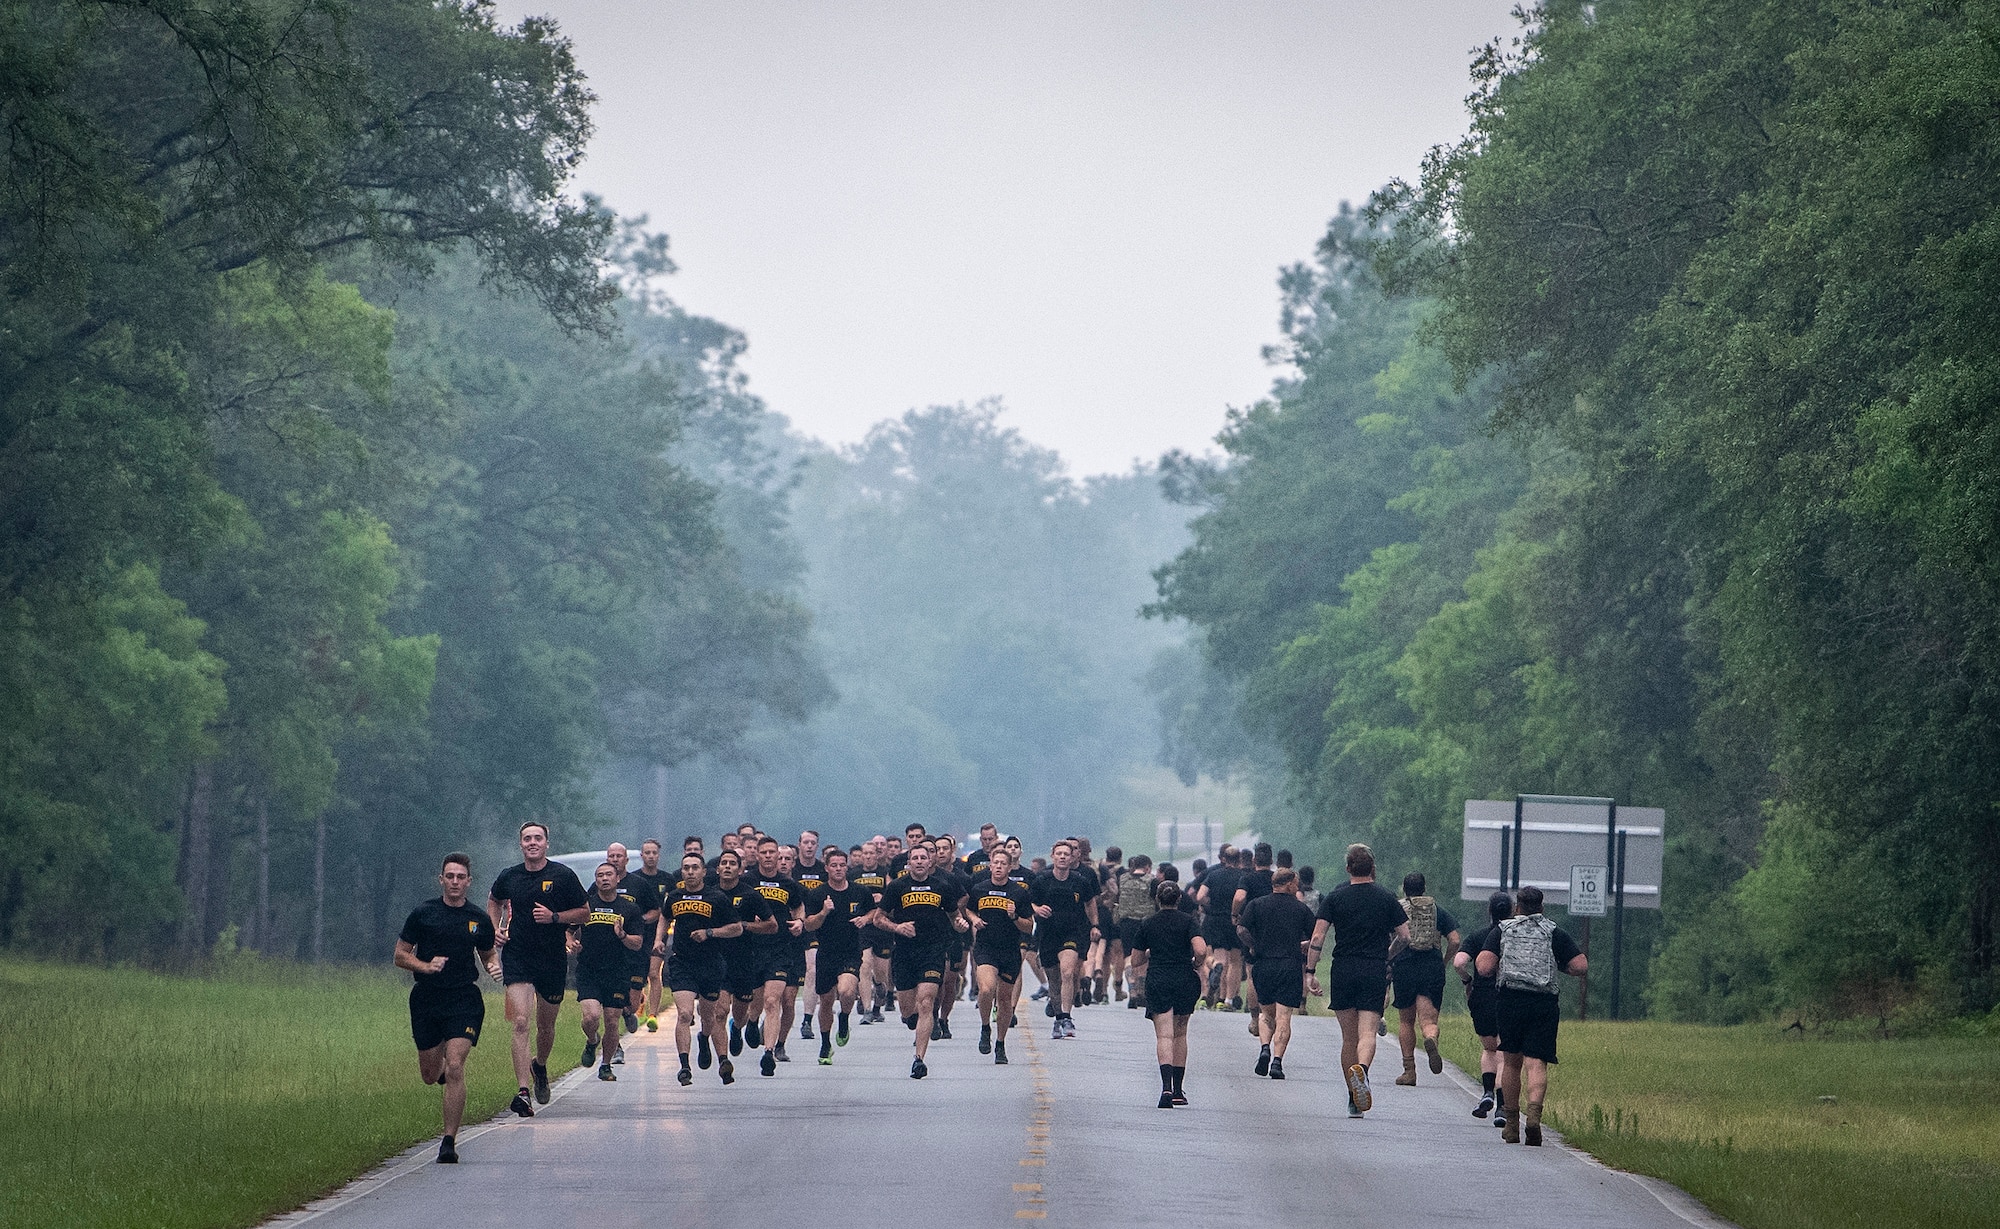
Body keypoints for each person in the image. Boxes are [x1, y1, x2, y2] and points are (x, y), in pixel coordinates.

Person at [395, 852, 499, 1163]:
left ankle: (449, 1141)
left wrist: (493, 967)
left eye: (460, 877)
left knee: (455, 1064)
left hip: (463, 999)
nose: (455, 882)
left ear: (469, 881)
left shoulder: (478, 919)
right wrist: (424, 966)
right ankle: (439, 1073)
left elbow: (488, 954)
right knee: (430, 1074)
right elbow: (400, 955)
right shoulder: (423, 914)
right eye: (449, 876)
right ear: (441, 879)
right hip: (427, 999)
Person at [487, 822, 589, 1117]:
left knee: (546, 1025)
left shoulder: (562, 876)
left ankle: (540, 1066)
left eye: (537, 838)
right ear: (521, 844)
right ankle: (522, 1091)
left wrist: (555, 917)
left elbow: (585, 912)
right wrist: (496, 928)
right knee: (520, 1022)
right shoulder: (510, 876)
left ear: (546, 844)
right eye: (527, 839)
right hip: (518, 956)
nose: (532, 843)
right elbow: (494, 901)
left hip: (552, 958)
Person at [1475, 886, 1586, 1145]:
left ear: (1517, 907)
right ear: (1542, 907)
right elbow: (1580, 965)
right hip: (1544, 1003)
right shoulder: (1552, 931)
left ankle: (1512, 1124)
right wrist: (1558, 965)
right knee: (1536, 1062)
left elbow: (1484, 966)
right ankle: (1534, 1117)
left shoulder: (1503, 929)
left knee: (1512, 1062)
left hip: (1511, 1001)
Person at [1306, 843, 1410, 1118]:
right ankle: (1362, 1071)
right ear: (1372, 868)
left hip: (1343, 968)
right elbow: (1405, 936)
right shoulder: (1387, 898)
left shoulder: (1335, 898)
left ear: (1348, 868)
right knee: (1368, 1033)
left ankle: (1354, 1098)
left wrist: (1310, 972)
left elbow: (1317, 938)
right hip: (1373, 968)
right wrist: (1387, 956)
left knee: (1348, 1038)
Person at [874, 842, 966, 1078]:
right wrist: (897, 927)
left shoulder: (942, 886)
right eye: (914, 858)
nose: (919, 862)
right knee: (908, 1011)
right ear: (908, 863)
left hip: (933, 951)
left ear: (930, 861)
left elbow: (954, 916)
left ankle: (919, 1059)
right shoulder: (897, 887)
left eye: (923, 858)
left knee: (926, 1002)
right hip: (904, 953)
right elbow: (878, 918)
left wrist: (960, 924)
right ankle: (911, 1019)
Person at [659, 853, 744, 1086]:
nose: (690, 872)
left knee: (710, 1015)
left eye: (694, 868)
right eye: (686, 868)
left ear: (704, 872)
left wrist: (710, 933)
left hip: (710, 963)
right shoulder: (674, 897)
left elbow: (736, 928)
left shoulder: (716, 897)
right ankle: (685, 1066)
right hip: (682, 963)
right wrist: (659, 940)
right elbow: (664, 918)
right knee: (685, 1013)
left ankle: (708, 1042)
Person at [1131, 880, 1207, 1108]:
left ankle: (1164, 1088)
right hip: (1184, 977)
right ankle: (1177, 1090)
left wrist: (1149, 951)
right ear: (1179, 899)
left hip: (1159, 978)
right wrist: (1196, 962)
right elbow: (1201, 949)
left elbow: (1135, 961)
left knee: (1164, 1036)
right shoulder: (1189, 921)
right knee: (1180, 1034)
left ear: (1157, 899)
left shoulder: (1147, 923)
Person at [570, 862, 646, 1081]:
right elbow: (568, 932)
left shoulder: (629, 909)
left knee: (612, 1021)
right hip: (589, 970)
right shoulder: (587, 906)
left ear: (617, 879)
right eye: (600, 875)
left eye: (608, 875)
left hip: (617, 971)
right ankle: (592, 1040)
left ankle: (605, 1064)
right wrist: (571, 944)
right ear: (595, 880)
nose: (604, 878)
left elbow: (638, 943)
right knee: (591, 1016)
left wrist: (623, 935)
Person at [1238, 867, 1314, 1079]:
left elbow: (1241, 929)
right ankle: (1277, 1062)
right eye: (1296, 883)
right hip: (1289, 965)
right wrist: (1305, 946)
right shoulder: (1300, 909)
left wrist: (1253, 946)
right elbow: (1315, 936)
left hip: (1264, 965)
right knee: (1284, 1017)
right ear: (1289, 883)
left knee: (1266, 1014)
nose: (1297, 886)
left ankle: (1264, 1047)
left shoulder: (1256, 904)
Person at [964, 846, 1035, 1064]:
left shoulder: (1019, 893)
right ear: (990, 865)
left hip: (1009, 950)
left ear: (1009, 867)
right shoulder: (979, 889)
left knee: (1004, 1000)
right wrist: (973, 919)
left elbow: (1029, 926)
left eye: (1003, 864)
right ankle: (985, 1026)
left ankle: (1001, 1043)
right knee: (986, 989)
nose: (998, 867)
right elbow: (968, 909)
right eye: (995, 863)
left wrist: (1014, 917)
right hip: (986, 947)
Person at [1390, 871, 1461, 1086]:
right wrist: (1444, 961)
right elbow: (1455, 940)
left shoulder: (1398, 908)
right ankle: (1430, 1038)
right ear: (1424, 888)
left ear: (1404, 888)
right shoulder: (1437, 910)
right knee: (1428, 1021)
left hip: (1404, 965)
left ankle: (1409, 1071)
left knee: (1406, 1020)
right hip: (1431, 965)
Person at [745, 837, 806, 1075]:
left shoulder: (788, 884)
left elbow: (799, 906)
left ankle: (769, 1051)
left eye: (774, 853)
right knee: (756, 1001)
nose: (770, 856)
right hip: (753, 949)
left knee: (773, 1001)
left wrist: (800, 921)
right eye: (765, 852)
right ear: (757, 855)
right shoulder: (747, 881)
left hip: (781, 949)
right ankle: (751, 1022)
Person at [808, 847, 875, 1064]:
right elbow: (809, 924)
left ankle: (844, 1017)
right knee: (826, 1001)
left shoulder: (859, 892)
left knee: (847, 991)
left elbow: (874, 911)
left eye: (842, 865)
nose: (838, 869)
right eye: (834, 865)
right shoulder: (818, 894)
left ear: (847, 867)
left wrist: (865, 919)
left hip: (850, 952)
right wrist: (824, 912)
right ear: (826, 868)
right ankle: (825, 1044)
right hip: (826, 953)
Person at [1456, 891, 1514, 1127]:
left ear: (1489, 911)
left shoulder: (1478, 936)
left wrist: (1468, 980)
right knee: (1504, 1055)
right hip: (1508, 996)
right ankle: (1501, 1107)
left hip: (1482, 996)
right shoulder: (1514, 936)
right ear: (1511, 911)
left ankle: (1487, 1092)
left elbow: (1459, 962)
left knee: (1489, 1050)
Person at [1031, 840, 1099, 1038]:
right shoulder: (1042, 880)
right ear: (1052, 856)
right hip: (1048, 933)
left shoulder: (1080, 881)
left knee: (1068, 972)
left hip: (1072, 932)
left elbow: (1090, 902)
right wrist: (1037, 909)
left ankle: (1067, 1017)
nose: (1062, 857)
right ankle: (1058, 1018)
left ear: (1072, 858)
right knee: (1054, 979)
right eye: (1058, 853)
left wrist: (1095, 925)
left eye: (1066, 854)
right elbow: (1029, 902)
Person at [712, 849, 769, 1063]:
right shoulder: (711, 895)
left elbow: (771, 925)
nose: (727, 866)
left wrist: (747, 926)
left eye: (732, 863)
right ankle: (723, 1059)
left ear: (740, 869)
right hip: (717, 959)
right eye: (724, 863)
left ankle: (737, 1027)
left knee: (740, 1011)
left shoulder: (751, 895)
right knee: (720, 1010)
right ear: (717, 869)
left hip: (744, 960)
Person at [626, 839, 674, 1033]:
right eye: (647, 853)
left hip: (658, 932)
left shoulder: (667, 879)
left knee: (654, 973)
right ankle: (640, 1004)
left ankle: (653, 1015)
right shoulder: (635, 879)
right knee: (638, 974)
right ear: (641, 855)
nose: (651, 856)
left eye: (654, 853)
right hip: (637, 933)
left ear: (659, 855)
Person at [1196, 845, 1243, 1009]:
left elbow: (1200, 895)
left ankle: (1215, 966)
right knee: (1235, 962)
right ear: (1239, 859)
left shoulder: (1213, 875)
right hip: (1234, 921)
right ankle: (1227, 1000)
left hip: (1215, 920)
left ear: (1224, 858)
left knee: (1220, 959)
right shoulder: (1242, 877)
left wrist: (1209, 905)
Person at [851, 838, 893, 1023]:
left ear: (877, 855)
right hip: (862, 927)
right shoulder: (853, 874)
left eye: (871, 853)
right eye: (864, 854)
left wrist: (882, 897)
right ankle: (867, 1009)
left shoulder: (885, 873)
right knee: (864, 965)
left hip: (881, 927)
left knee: (881, 973)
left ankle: (877, 1005)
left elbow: (892, 896)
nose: (868, 857)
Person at [793, 830, 827, 1042]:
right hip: (791, 927)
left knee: (812, 969)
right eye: (805, 842)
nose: (809, 846)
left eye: (813, 843)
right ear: (799, 845)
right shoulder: (791, 869)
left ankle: (807, 1019)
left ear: (817, 846)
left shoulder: (823, 871)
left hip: (813, 927)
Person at [1112, 855, 1157, 1010]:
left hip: (1126, 923)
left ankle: (1132, 988)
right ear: (1147, 867)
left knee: (1129, 956)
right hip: (1146, 922)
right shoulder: (1152, 880)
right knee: (1144, 956)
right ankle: (1142, 990)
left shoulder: (1123, 879)